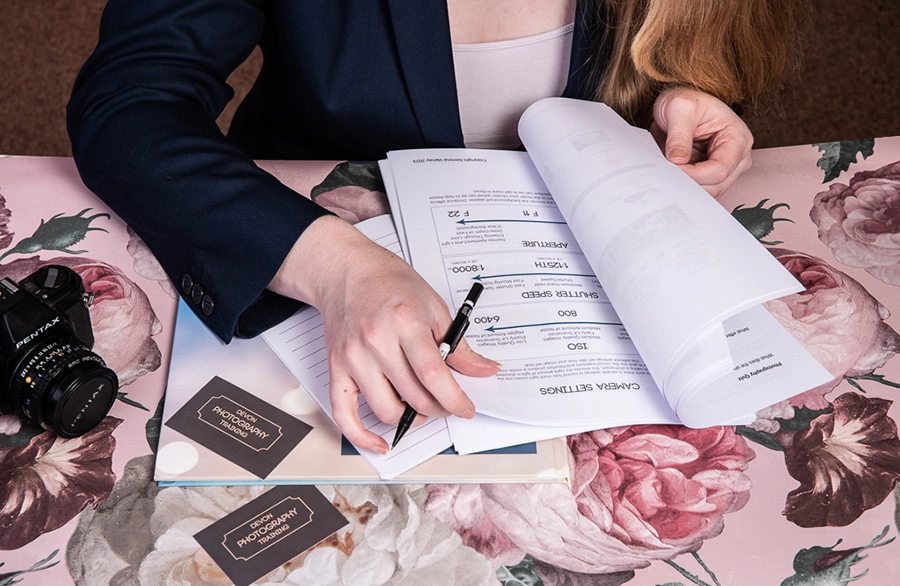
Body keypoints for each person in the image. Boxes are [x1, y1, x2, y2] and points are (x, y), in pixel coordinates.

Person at [68, 0, 808, 453]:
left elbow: (717, 67)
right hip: (315, 238)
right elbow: (127, 105)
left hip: (593, 312)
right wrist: (331, 262)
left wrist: (691, 96)